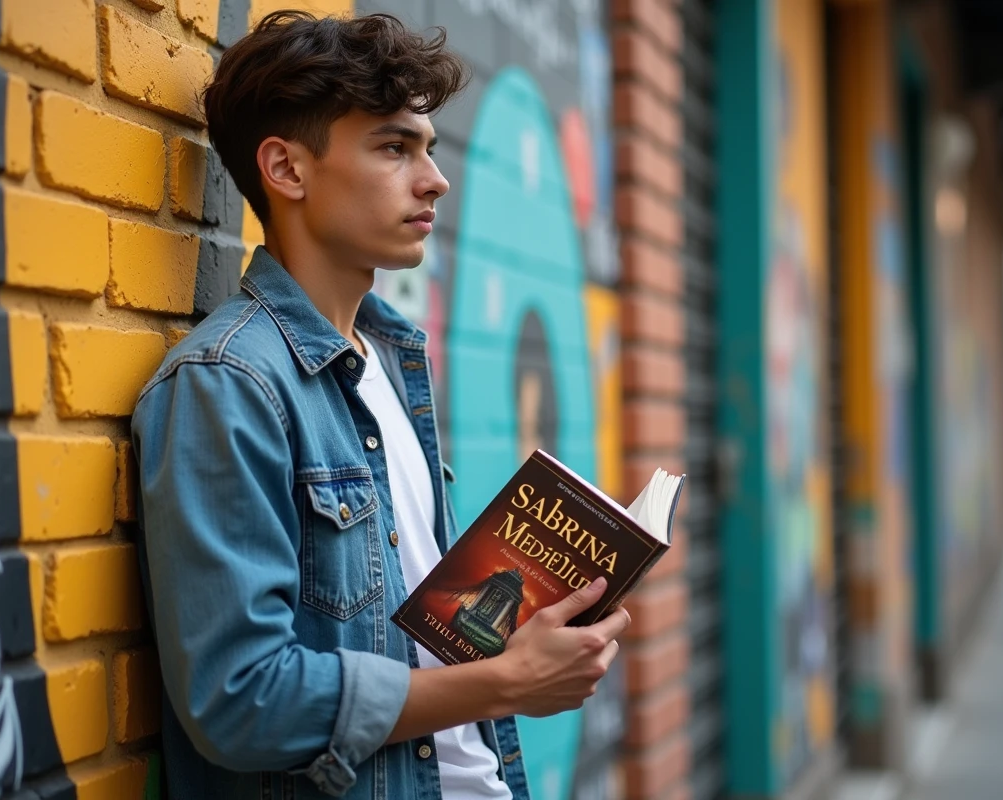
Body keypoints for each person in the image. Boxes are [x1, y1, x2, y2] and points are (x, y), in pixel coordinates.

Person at [130, 11, 630, 799]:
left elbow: (418, 644)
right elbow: (239, 702)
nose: (435, 178)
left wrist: (527, 635)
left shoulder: (391, 365)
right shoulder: (228, 385)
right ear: (287, 170)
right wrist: (505, 683)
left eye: (428, 149)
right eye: (394, 148)